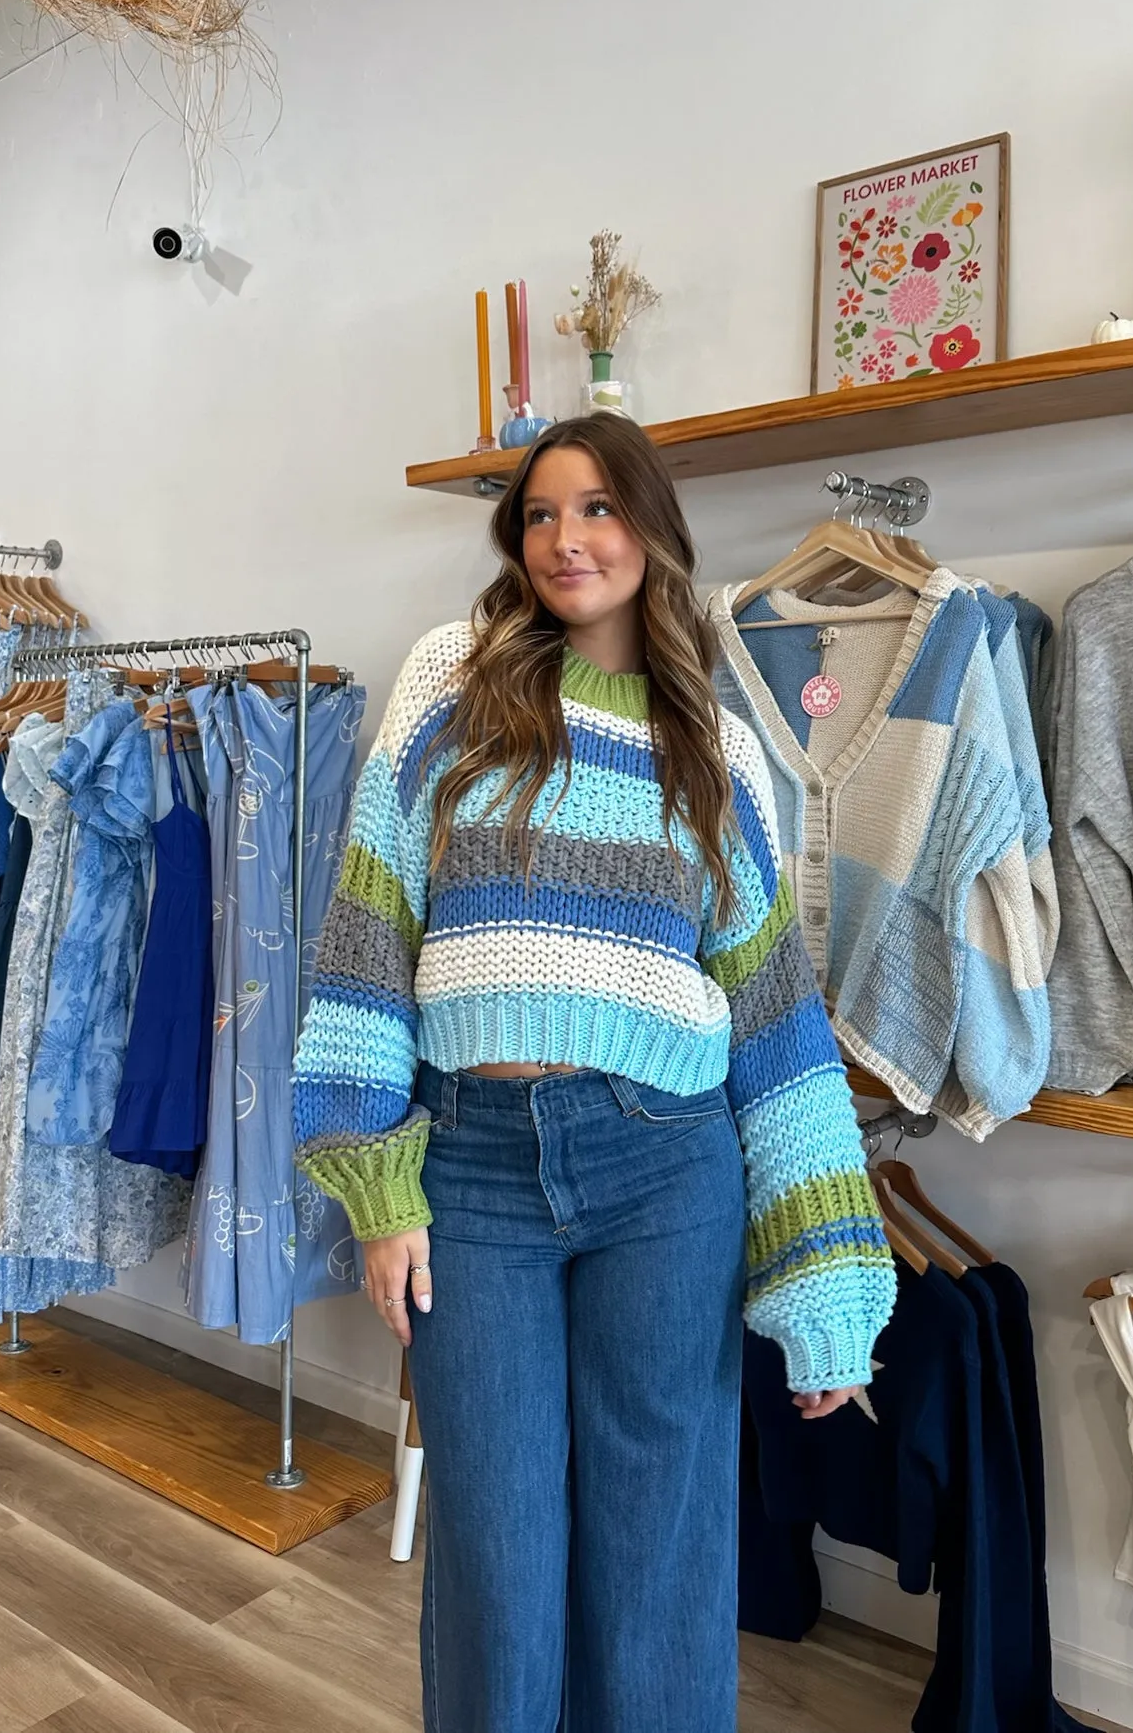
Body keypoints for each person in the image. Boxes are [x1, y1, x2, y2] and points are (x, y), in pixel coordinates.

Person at [293, 414, 896, 1733]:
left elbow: (775, 1019)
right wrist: (377, 1175)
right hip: (470, 1165)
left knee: (658, 1552)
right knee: (497, 1548)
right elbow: (369, 921)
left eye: (601, 508)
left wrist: (826, 1282)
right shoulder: (452, 677)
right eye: (544, 513)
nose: (570, 538)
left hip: (663, 1168)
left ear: (653, 531)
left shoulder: (718, 749)